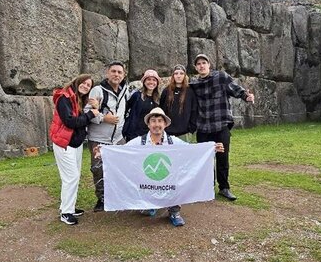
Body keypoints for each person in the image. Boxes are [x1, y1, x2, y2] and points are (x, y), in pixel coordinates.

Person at [93, 107, 224, 227]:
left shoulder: (173, 141)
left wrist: (211, 148)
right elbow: (121, 152)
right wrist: (103, 152)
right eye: (153, 121)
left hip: (168, 177)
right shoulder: (140, 141)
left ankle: (174, 211)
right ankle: (150, 205)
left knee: (176, 183)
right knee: (143, 182)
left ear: (165, 124)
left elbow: (191, 151)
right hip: (147, 178)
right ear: (148, 124)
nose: (157, 124)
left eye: (160, 121)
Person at [189, 54, 254, 201]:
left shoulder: (221, 77)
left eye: (203, 63)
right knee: (205, 160)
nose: (201, 66)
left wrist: (246, 96)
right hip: (203, 127)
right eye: (198, 64)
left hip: (221, 125)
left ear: (209, 64)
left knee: (222, 157)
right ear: (195, 67)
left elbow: (236, 89)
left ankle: (224, 187)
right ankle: (207, 187)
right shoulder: (194, 85)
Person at [49, 74, 100, 225]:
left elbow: (82, 116)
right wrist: (90, 114)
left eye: (88, 85)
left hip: (75, 143)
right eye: (84, 83)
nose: (85, 86)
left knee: (74, 176)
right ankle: (66, 212)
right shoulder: (64, 97)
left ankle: (69, 207)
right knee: (70, 177)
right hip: (64, 143)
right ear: (77, 82)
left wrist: (93, 109)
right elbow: (69, 121)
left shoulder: (77, 99)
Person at [85, 61, 131, 212]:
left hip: (118, 138)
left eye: (119, 72)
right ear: (107, 73)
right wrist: (104, 118)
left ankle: (118, 196)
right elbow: (87, 113)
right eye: (113, 71)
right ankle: (102, 198)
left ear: (124, 75)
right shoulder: (97, 91)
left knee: (120, 168)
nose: (116, 74)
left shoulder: (126, 90)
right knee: (98, 169)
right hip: (99, 138)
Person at [159, 64, 197, 141]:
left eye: (181, 73)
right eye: (176, 73)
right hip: (167, 132)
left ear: (185, 75)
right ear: (173, 76)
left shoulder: (190, 92)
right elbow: (161, 110)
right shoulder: (166, 91)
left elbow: (194, 110)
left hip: (184, 133)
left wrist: (191, 128)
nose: (178, 76)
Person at [122, 69, 160, 141]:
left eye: (154, 80)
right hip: (134, 135)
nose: (151, 82)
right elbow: (126, 110)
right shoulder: (136, 96)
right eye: (148, 79)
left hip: (150, 135)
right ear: (144, 81)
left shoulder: (157, 99)